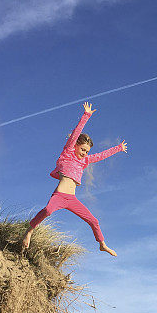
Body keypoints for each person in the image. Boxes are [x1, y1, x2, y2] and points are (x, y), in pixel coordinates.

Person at [21, 102, 127, 255]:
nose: (85, 153)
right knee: (48, 210)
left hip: (72, 199)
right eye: (83, 149)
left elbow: (101, 155)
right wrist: (86, 115)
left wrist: (118, 148)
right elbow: (77, 133)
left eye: (87, 151)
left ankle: (102, 244)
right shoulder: (68, 152)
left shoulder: (84, 161)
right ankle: (29, 231)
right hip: (59, 195)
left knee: (94, 221)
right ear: (76, 145)